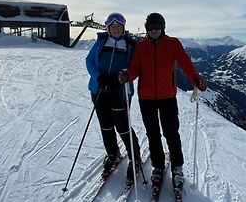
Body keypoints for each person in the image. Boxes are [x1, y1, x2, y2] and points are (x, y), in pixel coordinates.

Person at [119, 12, 206, 189]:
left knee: (171, 132)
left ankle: (177, 166)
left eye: (156, 27)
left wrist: (195, 79)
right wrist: (128, 75)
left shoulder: (173, 44)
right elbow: (135, 67)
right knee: (152, 134)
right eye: (150, 28)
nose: (153, 31)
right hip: (146, 98)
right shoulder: (141, 46)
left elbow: (185, 63)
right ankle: (158, 167)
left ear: (163, 27)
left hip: (167, 97)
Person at [86, 12, 141, 181]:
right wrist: (99, 77)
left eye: (119, 27)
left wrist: (125, 77)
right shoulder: (101, 42)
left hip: (120, 91)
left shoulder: (131, 45)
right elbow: (89, 61)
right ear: (108, 28)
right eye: (113, 27)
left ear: (123, 28)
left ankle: (135, 157)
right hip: (100, 90)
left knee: (123, 126)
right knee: (106, 126)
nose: (116, 29)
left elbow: (135, 67)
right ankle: (113, 153)